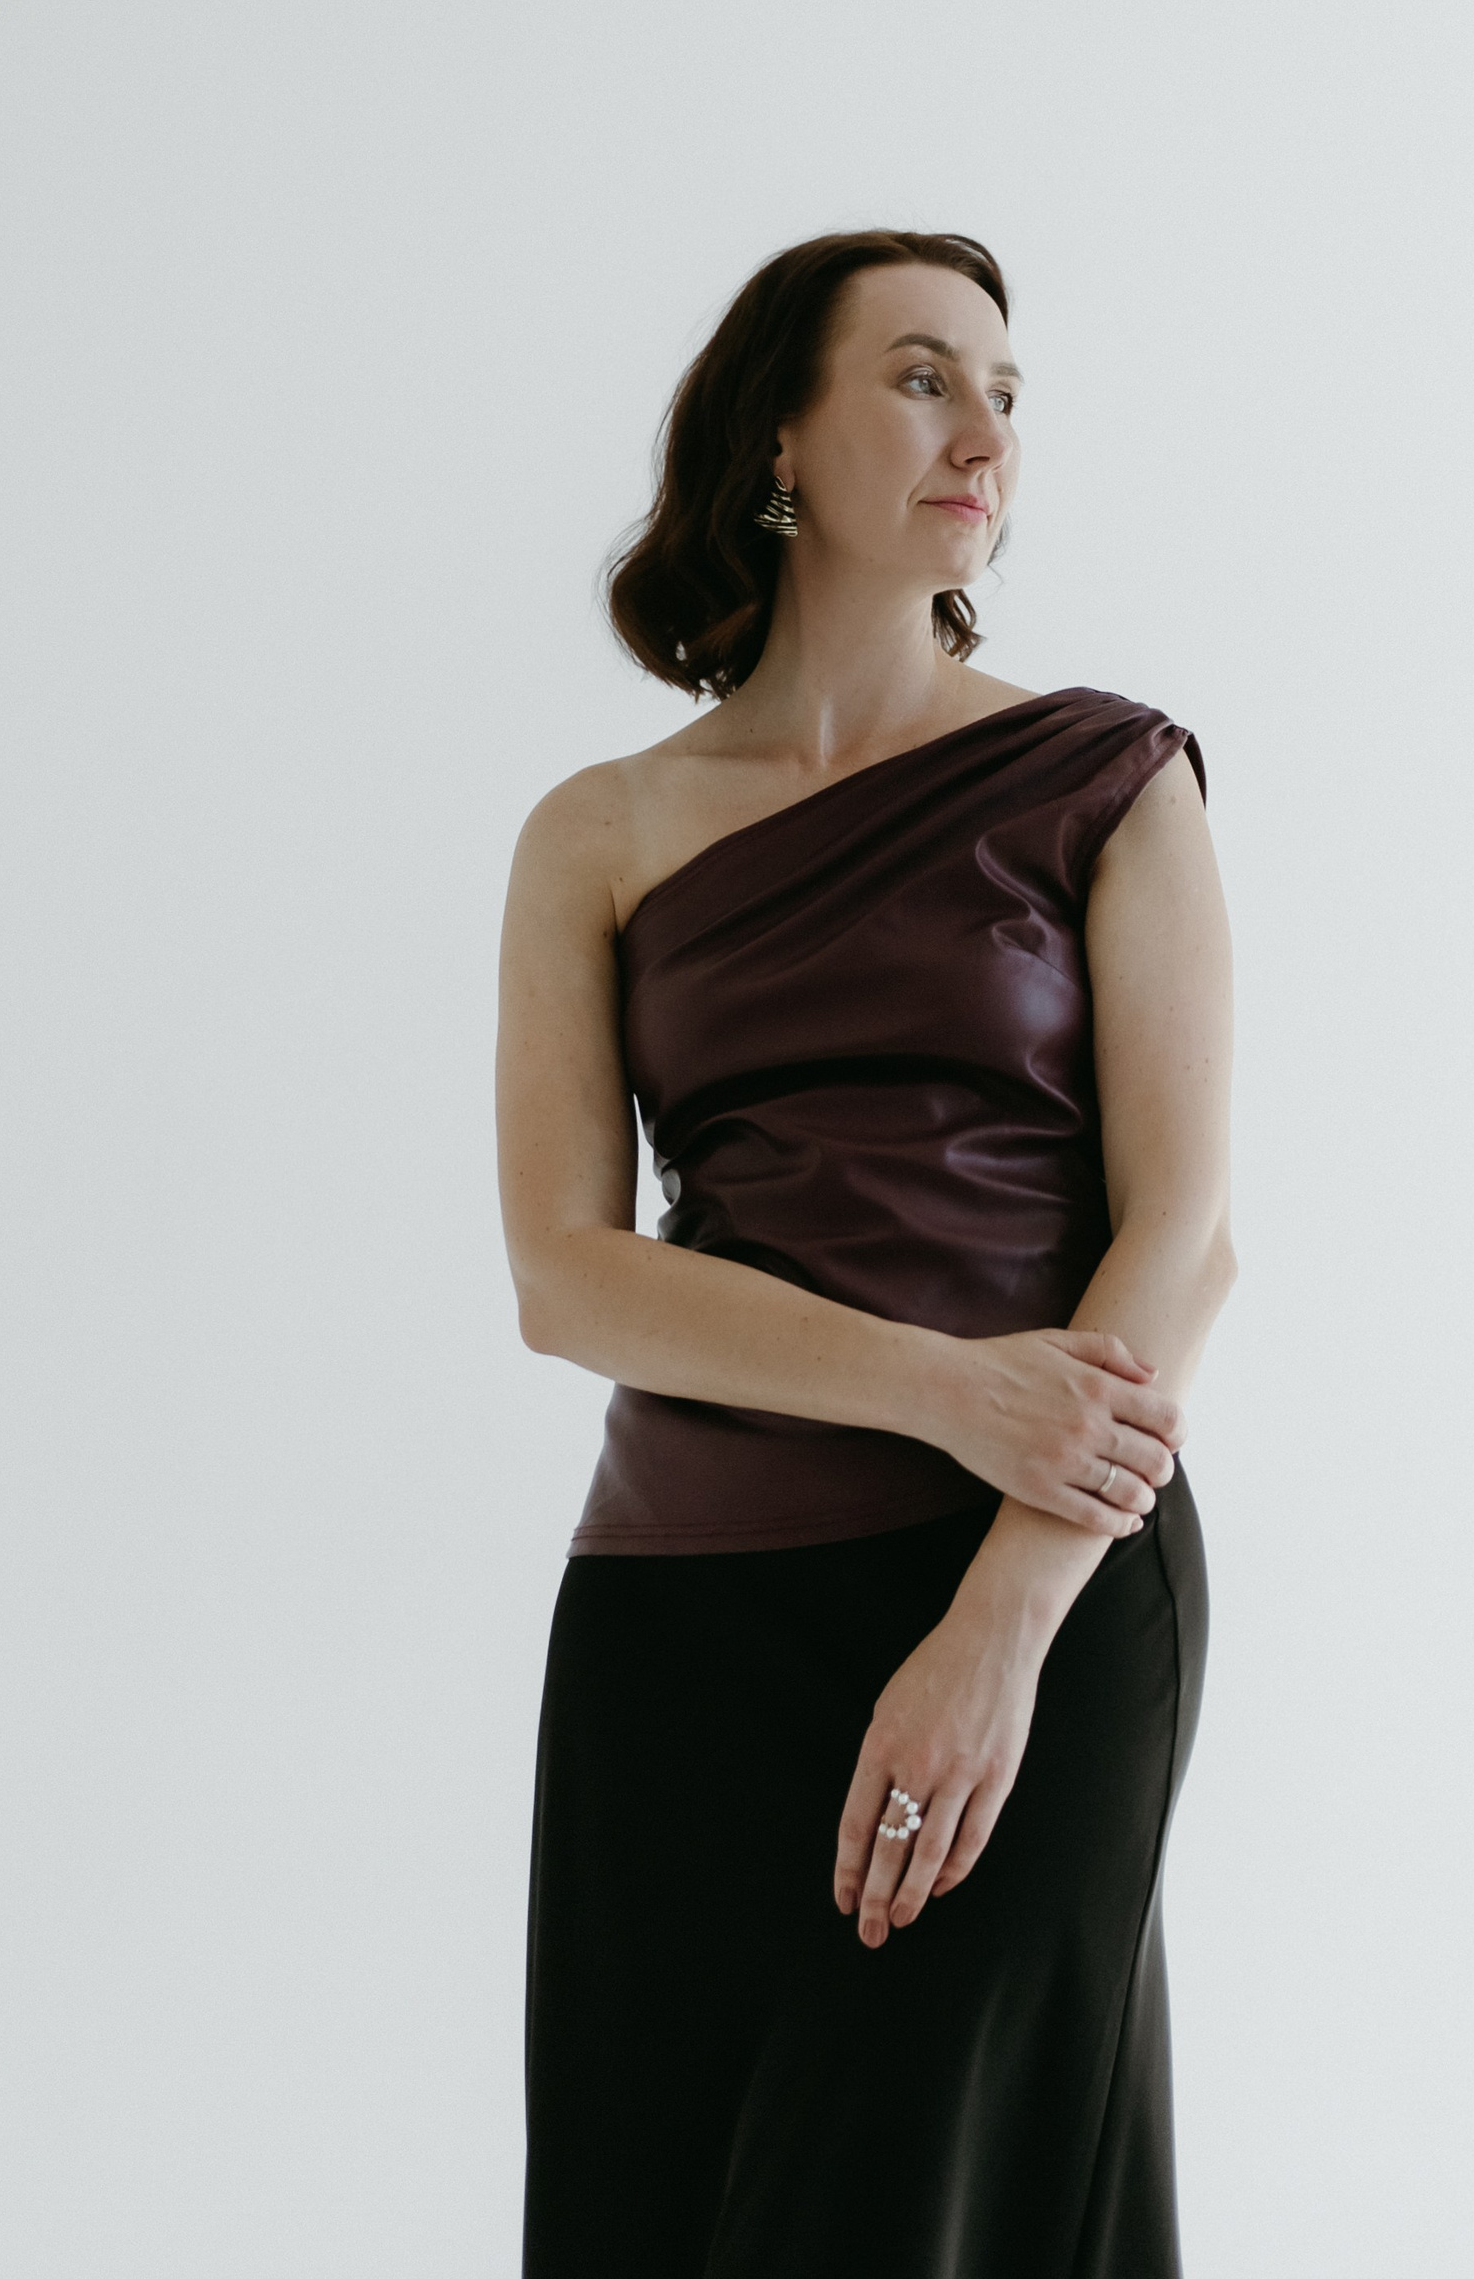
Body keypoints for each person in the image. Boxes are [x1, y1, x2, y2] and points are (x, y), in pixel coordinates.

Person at [495, 228, 1236, 2278]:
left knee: (919, 2200)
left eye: (1006, 393)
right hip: (682, 1612)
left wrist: (1002, 1625)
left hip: (1040, 1571)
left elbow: (1184, 1239)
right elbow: (568, 1276)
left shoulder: (1109, 778)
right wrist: (949, 1385)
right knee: (668, 2205)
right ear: (779, 443)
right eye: (922, 378)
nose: (984, 432)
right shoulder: (601, 830)